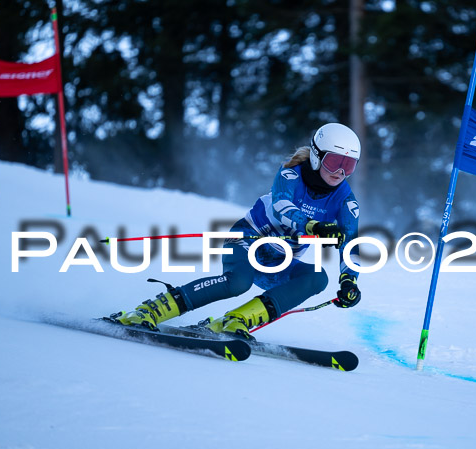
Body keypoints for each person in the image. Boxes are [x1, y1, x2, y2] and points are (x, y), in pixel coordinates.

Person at [109, 123, 362, 339]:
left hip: (279, 260)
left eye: (349, 166)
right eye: (334, 162)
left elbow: (351, 245)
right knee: (238, 282)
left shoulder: (346, 201)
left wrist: (349, 280)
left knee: (317, 277)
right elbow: (282, 205)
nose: (340, 172)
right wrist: (312, 225)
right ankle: (150, 310)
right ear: (317, 155)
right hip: (248, 240)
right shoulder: (290, 175)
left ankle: (234, 320)